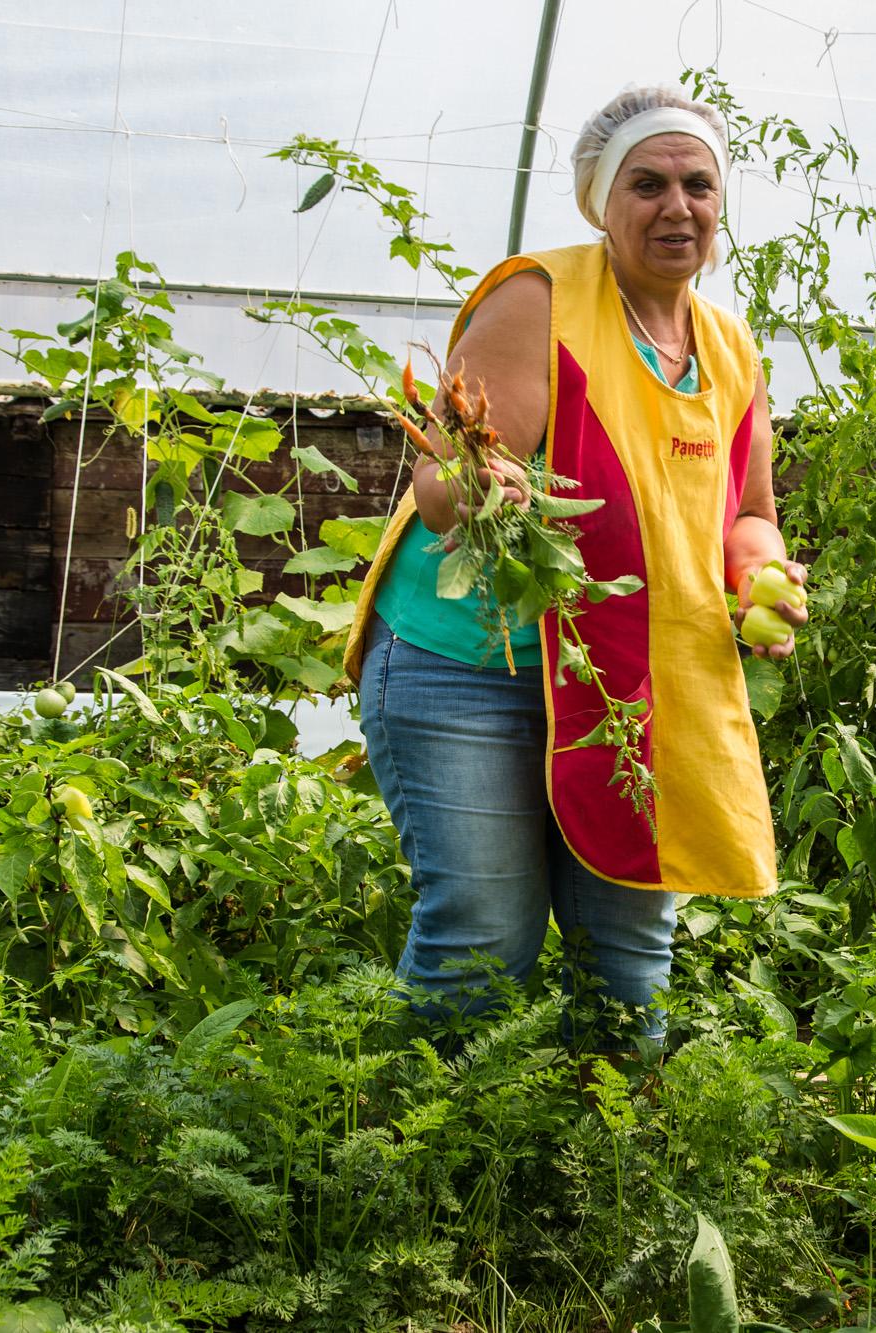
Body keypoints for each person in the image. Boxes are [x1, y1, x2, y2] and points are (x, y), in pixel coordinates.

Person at [340, 84, 806, 1051]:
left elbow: (749, 511)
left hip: (628, 679)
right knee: (482, 943)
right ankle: (428, 1174)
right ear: (601, 199)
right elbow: (440, 479)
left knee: (631, 943)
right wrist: (491, 483)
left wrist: (762, 573)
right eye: (647, 184)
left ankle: (604, 1174)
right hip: (471, 667)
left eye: (697, 185)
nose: (676, 206)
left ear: (721, 207)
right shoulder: (538, 298)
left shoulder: (728, 347)